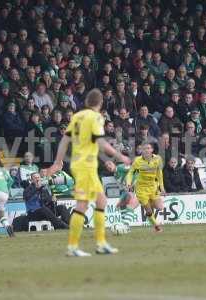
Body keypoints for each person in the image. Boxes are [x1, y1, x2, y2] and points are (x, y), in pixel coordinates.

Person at [48, 88, 130, 257]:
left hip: (82, 165)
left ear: (86, 102)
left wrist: (57, 162)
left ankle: (100, 244)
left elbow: (65, 140)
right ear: (100, 103)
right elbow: (100, 142)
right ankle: (73, 246)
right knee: (83, 205)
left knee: (101, 201)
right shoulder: (96, 117)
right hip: (85, 166)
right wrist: (120, 156)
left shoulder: (77, 116)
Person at [126, 142, 165, 232]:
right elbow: (131, 172)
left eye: (148, 148)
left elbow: (159, 174)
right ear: (141, 151)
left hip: (153, 187)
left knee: (160, 207)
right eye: (144, 149)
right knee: (149, 211)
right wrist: (128, 183)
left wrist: (162, 187)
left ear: (152, 150)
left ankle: (146, 203)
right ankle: (156, 226)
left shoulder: (157, 159)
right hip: (141, 188)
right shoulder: (137, 161)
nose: (146, 150)